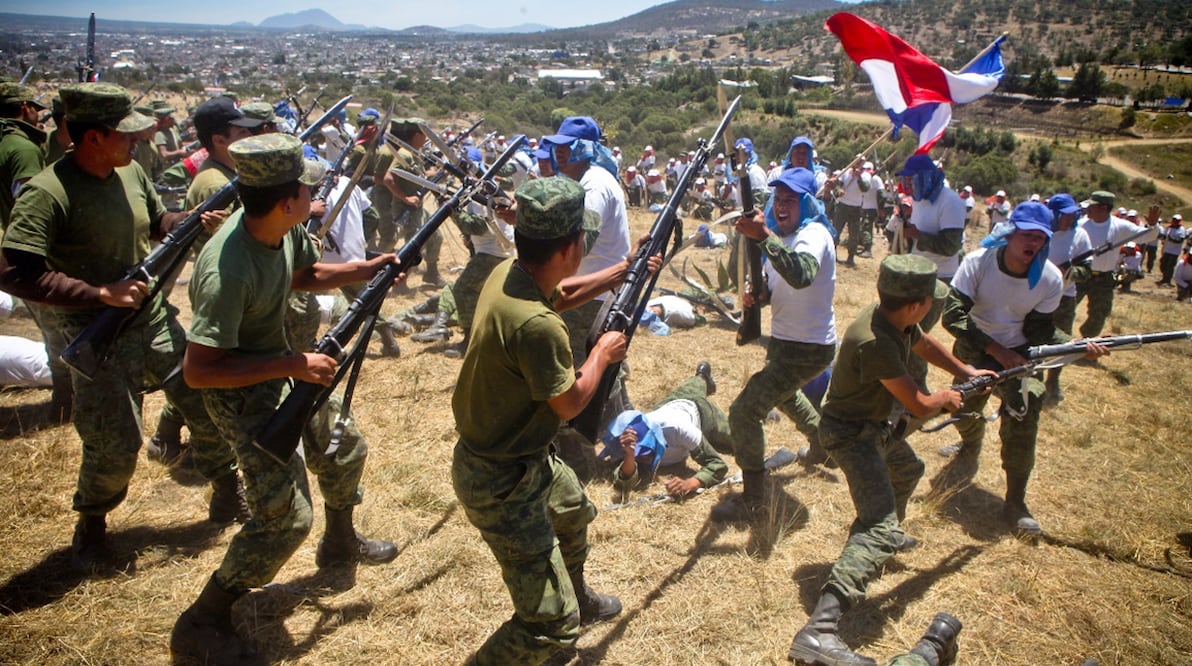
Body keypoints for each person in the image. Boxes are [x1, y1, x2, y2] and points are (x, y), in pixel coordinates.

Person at [170, 133, 399, 663]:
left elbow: (306, 275)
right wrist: (294, 364)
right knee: (284, 519)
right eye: (305, 189)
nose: (313, 197)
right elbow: (201, 371)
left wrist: (367, 270)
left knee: (345, 449)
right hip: (240, 395)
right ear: (286, 201)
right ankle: (202, 622)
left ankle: (340, 541)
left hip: (277, 370)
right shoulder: (225, 269)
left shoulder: (278, 230)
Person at [0, 83, 247, 571]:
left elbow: (156, 222)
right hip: (97, 334)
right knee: (114, 443)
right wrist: (97, 294)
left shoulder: (130, 171)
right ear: (92, 137)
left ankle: (225, 489)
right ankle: (91, 526)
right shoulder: (47, 192)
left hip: (151, 320)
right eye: (126, 136)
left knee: (206, 404)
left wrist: (191, 221)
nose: (137, 144)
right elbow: (14, 271)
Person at [452, 176, 657, 665]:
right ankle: (556, 619)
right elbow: (569, 404)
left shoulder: (509, 276)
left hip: (519, 457)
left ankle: (578, 596)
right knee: (551, 627)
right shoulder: (537, 327)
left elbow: (559, 294)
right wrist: (603, 355)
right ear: (572, 248)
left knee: (573, 511)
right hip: (501, 479)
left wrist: (620, 273)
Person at [788, 255, 987, 666]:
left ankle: (880, 542)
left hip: (872, 427)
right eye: (931, 301)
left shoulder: (892, 317)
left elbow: (922, 342)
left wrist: (965, 368)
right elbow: (917, 403)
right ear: (916, 304)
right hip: (851, 434)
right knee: (877, 526)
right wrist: (948, 398)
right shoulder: (875, 340)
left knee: (909, 468)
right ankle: (819, 630)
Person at [941, 202, 1108, 537]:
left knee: (1025, 409)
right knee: (964, 409)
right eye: (1027, 235)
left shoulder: (1048, 278)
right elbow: (953, 315)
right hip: (976, 348)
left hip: (1020, 356)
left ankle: (1015, 501)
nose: (1033, 243)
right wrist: (994, 349)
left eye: (1040, 238)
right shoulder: (978, 263)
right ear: (1010, 234)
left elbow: (1040, 329)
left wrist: (1078, 347)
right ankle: (970, 443)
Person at [715, 167, 837, 522]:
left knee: (744, 410)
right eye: (777, 199)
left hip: (809, 347)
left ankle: (754, 499)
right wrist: (759, 297)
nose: (781, 206)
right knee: (784, 394)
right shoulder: (784, 236)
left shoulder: (813, 234)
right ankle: (822, 445)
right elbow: (778, 286)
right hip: (785, 342)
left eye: (790, 200)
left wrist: (764, 235)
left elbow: (800, 275)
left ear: (807, 203)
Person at [543, 116, 633, 476]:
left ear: (586, 149)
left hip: (592, 295)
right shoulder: (584, 181)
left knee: (583, 375)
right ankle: (627, 437)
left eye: (567, 146)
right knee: (605, 374)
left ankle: (581, 457)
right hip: (592, 290)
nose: (559, 153)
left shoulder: (594, 184)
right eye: (557, 146)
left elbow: (580, 242)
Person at [601, 363, 728, 498]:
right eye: (638, 453)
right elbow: (624, 480)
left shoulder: (678, 429)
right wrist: (630, 455)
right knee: (693, 386)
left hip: (701, 412)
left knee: (740, 437)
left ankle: (702, 377)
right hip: (668, 403)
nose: (642, 459)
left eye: (646, 452)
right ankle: (702, 378)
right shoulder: (627, 438)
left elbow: (717, 464)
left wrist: (691, 483)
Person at [1040, 193, 1092, 405]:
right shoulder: (1040, 231)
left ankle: (1053, 381)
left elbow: (1087, 270)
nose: (1069, 219)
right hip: (1036, 296)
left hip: (1064, 297)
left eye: (1072, 215)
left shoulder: (1080, 236)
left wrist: (1068, 273)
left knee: (1062, 342)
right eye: (1065, 215)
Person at [381, 117, 445, 286]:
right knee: (413, 247)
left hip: (417, 208)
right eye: (424, 134)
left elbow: (417, 177)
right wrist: (405, 198)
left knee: (436, 236)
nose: (426, 138)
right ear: (417, 135)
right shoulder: (405, 154)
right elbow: (388, 178)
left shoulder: (414, 154)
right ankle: (399, 283)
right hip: (407, 209)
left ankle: (431, 274)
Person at [1075, 191, 1140, 337]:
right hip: (1080, 274)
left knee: (1100, 313)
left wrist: (1153, 225)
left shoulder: (1120, 226)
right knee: (1064, 307)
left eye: (1092, 206)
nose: (1088, 209)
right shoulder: (1080, 225)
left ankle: (1087, 341)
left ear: (1103, 208)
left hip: (1103, 279)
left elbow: (1144, 235)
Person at [898, 155, 966, 283]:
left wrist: (916, 234)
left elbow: (950, 247)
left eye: (912, 179)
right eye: (906, 180)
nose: (909, 185)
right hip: (917, 270)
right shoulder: (918, 199)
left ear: (926, 177)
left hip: (940, 276)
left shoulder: (950, 201)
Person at [829, 159, 870, 266]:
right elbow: (836, 185)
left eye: (860, 163)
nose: (858, 164)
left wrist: (859, 178)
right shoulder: (845, 172)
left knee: (854, 233)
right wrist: (839, 191)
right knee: (836, 230)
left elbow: (865, 188)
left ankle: (850, 257)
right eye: (857, 162)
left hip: (855, 207)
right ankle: (832, 254)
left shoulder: (865, 175)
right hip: (842, 205)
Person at [1157, 213, 1187, 286]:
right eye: (1173, 220)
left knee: (1170, 266)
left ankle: (1167, 281)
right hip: (1166, 250)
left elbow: (1180, 240)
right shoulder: (1169, 228)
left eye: (1176, 220)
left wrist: (1171, 239)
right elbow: (1164, 237)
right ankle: (1164, 278)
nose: (1174, 222)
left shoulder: (1181, 229)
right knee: (1163, 265)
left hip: (1174, 252)